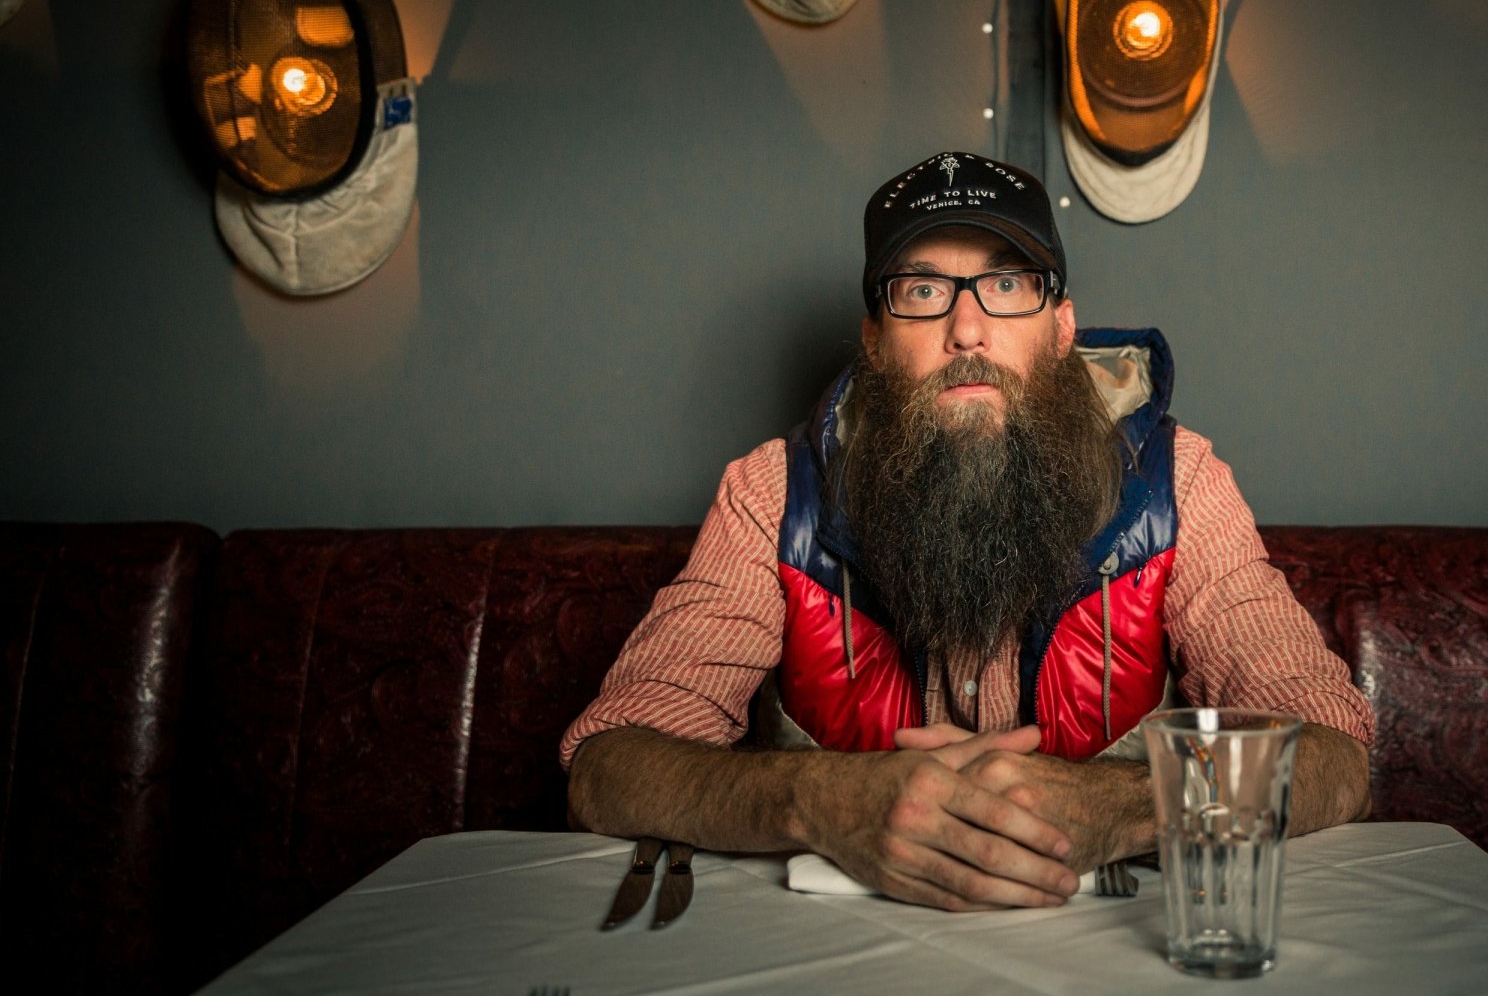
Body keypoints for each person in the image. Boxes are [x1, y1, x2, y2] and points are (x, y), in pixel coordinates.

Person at [563, 151, 1373, 912]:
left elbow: (1334, 755)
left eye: (1008, 284)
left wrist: (1129, 804)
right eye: (922, 290)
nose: (968, 329)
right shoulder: (770, 493)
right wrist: (822, 796)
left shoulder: (1180, 482)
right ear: (875, 341)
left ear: (1060, 327)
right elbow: (608, 768)